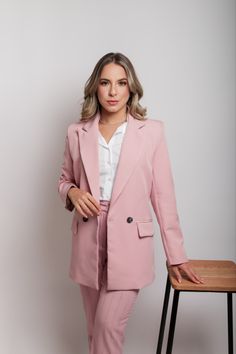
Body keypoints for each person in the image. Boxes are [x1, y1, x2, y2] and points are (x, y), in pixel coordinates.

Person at [58, 52, 203, 354]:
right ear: (95, 88)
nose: (113, 92)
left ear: (131, 87)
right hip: (89, 237)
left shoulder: (151, 132)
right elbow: (64, 180)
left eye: (121, 83)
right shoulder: (77, 132)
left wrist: (176, 255)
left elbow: (163, 196)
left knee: (107, 327)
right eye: (105, 83)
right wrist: (73, 193)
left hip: (130, 241)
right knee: (94, 332)